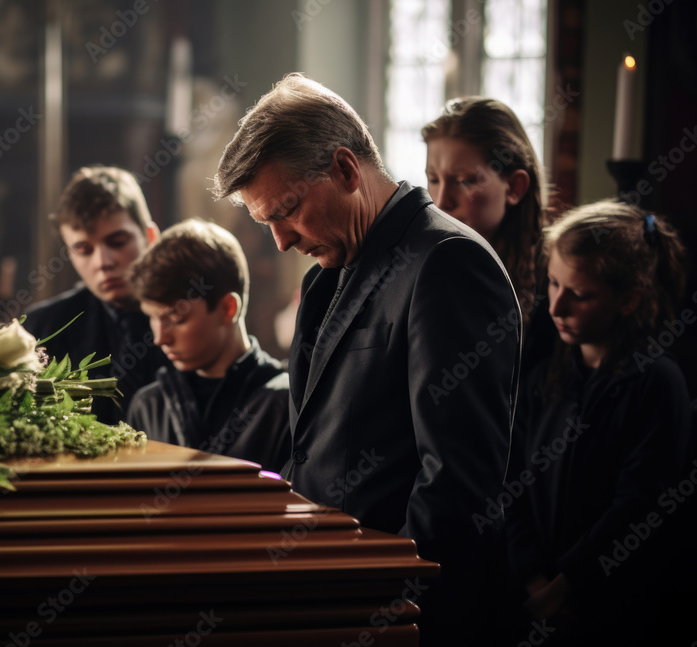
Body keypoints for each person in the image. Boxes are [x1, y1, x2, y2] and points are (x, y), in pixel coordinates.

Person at [212, 73, 521, 643]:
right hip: (331, 597)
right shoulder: (324, 279)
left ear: (347, 169)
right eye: (266, 223)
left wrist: (389, 603)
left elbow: (456, 481)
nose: (280, 241)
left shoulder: (448, 262)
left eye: (288, 210)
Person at [506, 201, 692, 645]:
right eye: (552, 283)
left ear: (627, 300)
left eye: (580, 294)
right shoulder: (543, 378)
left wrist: (567, 584)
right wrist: (532, 576)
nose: (556, 305)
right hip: (534, 594)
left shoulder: (656, 383)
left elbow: (642, 502)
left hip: (615, 607)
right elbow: (511, 483)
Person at [125, 219, 291, 473]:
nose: (160, 338)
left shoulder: (286, 404)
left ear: (228, 308)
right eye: (153, 317)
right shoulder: (148, 405)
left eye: (175, 318)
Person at [23, 166, 168, 425]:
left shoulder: (190, 319)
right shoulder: (42, 331)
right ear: (69, 253)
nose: (103, 262)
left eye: (117, 242)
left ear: (150, 237)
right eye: (84, 249)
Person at [422, 97, 556, 374]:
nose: (441, 201)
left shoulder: (556, 279)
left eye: (465, 181)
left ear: (515, 187)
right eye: (433, 179)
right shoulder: (423, 263)